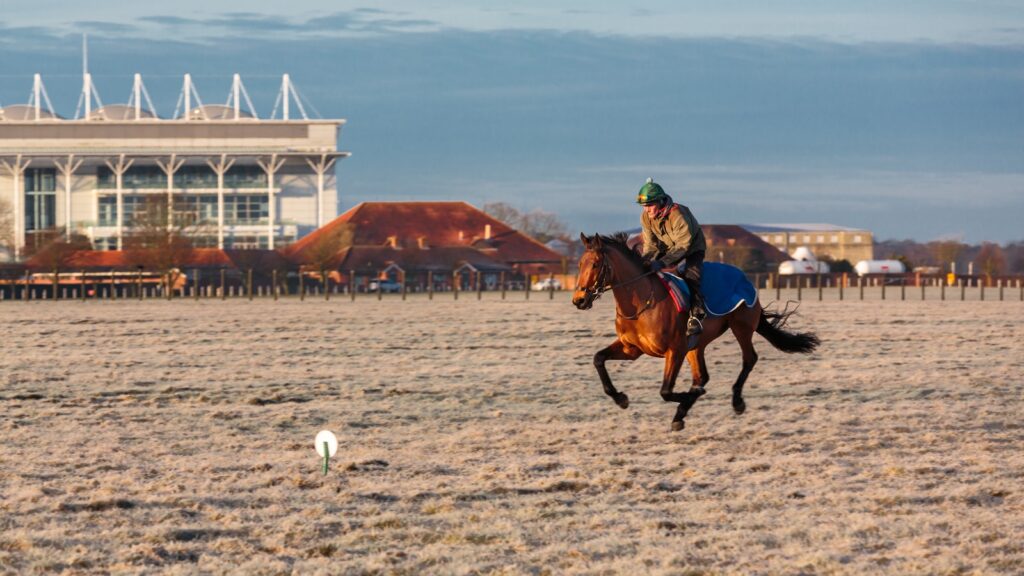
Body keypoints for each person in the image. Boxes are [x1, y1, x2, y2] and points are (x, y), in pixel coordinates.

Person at [636, 177, 707, 336]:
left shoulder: (677, 214)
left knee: (690, 274)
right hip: (667, 247)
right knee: (646, 269)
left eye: (650, 205)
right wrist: (646, 260)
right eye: (644, 206)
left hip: (692, 248)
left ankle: (696, 314)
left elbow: (683, 245)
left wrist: (662, 262)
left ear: (661, 202)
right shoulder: (645, 217)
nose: (647, 210)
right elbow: (650, 245)